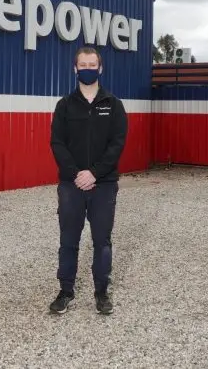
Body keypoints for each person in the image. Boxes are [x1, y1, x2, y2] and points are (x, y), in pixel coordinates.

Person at [48, 46, 128, 315]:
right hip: (71, 185)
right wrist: (76, 174)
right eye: (82, 64)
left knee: (102, 240)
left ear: (100, 68)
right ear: (75, 69)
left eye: (92, 64)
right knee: (68, 239)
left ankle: (102, 291)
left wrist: (94, 172)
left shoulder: (114, 105)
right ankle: (65, 290)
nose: (87, 69)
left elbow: (117, 145)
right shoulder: (65, 106)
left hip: (104, 184)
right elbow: (57, 143)